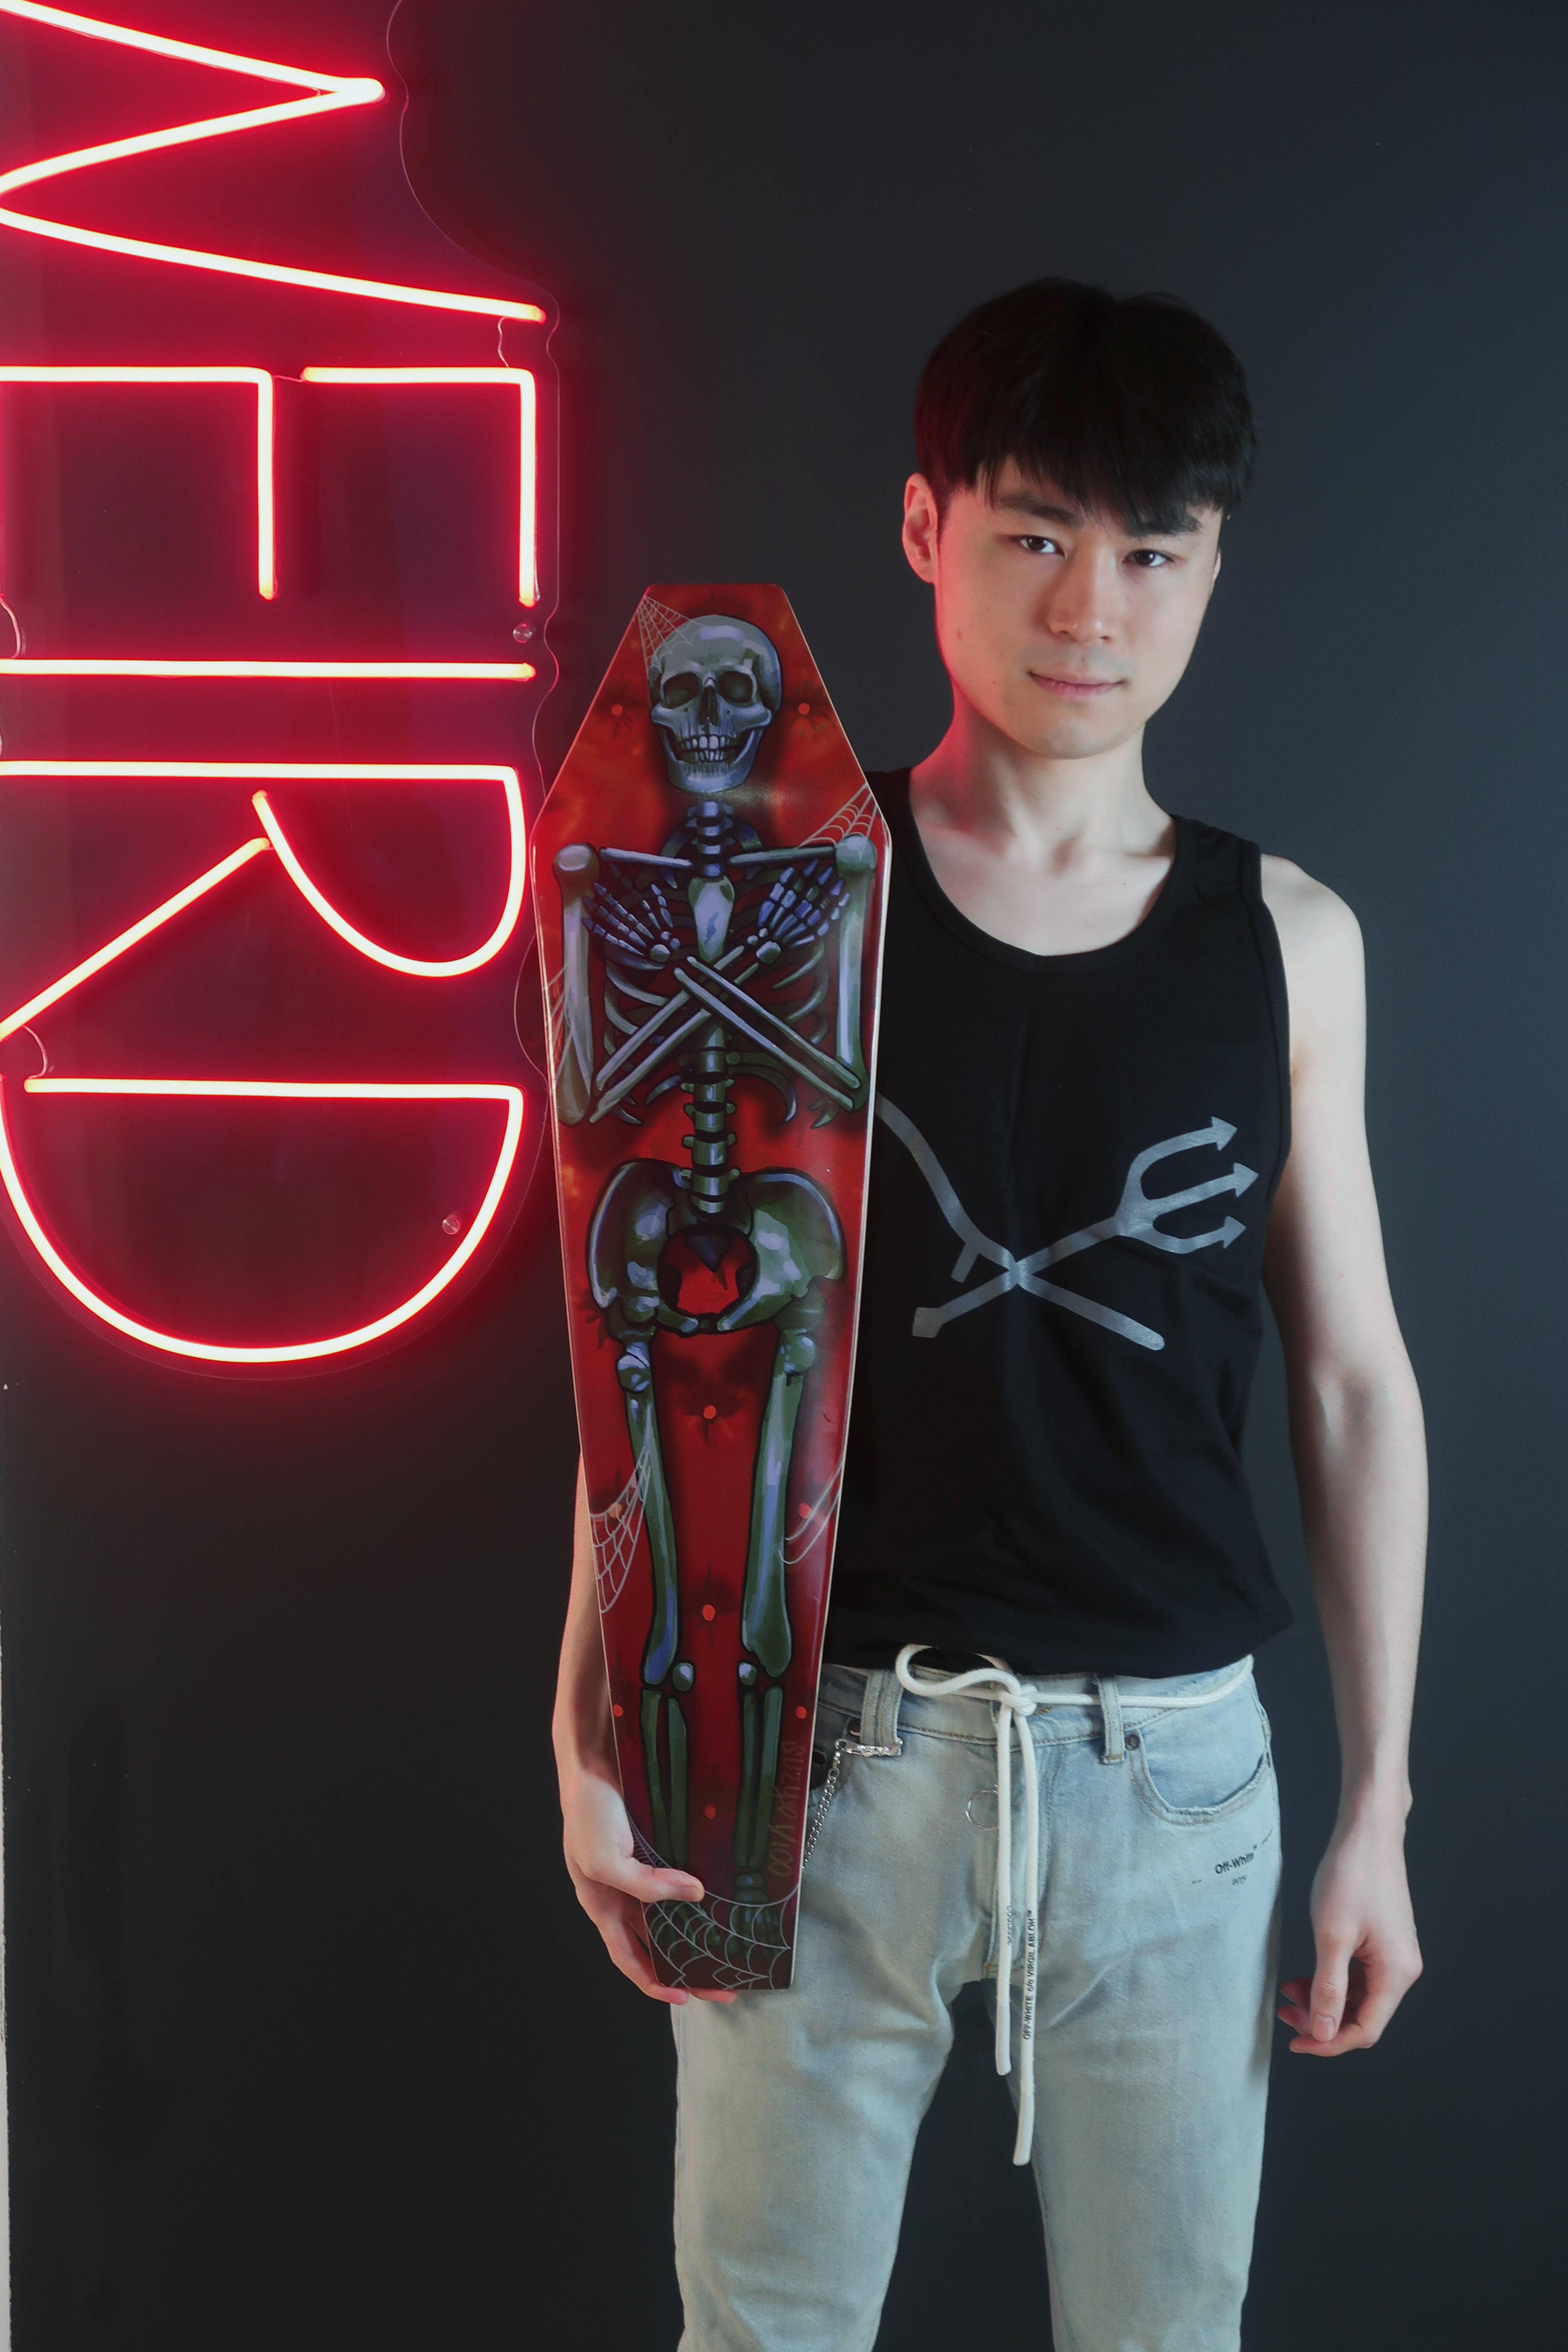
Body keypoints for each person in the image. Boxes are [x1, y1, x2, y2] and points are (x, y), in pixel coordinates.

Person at [551, 278, 1426, 2352]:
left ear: (1212, 567)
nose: (1091, 608)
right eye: (1036, 535)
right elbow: (664, 1358)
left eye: (1152, 551)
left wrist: (1381, 1808)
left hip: (1174, 1787)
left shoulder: (1286, 940)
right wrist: (588, 1732)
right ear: (927, 528)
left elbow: (1351, 1383)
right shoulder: (781, 908)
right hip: (816, 1758)